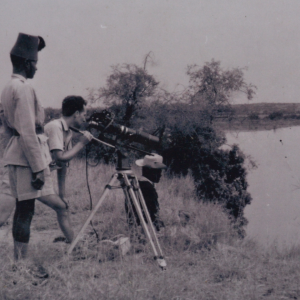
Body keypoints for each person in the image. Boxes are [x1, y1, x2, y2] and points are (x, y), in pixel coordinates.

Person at [1, 33, 74, 260]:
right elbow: (28, 132)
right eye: (35, 63)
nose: (36, 68)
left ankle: (18, 263)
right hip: (26, 158)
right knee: (25, 212)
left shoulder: (8, 87)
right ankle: (20, 266)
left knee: (23, 211)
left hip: (16, 155)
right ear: (26, 62)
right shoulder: (23, 88)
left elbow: (8, 131)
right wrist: (39, 167)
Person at [44, 95, 93, 207]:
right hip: (29, 173)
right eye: (84, 115)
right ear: (76, 114)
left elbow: (62, 164)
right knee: (61, 208)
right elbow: (60, 157)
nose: (85, 119)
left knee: (25, 212)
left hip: (39, 174)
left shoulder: (67, 131)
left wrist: (62, 195)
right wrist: (82, 143)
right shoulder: (55, 127)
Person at [125, 153, 166, 232]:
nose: (160, 174)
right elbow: (153, 214)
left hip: (134, 226)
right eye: (158, 171)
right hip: (146, 229)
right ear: (151, 171)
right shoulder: (148, 188)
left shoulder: (135, 183)